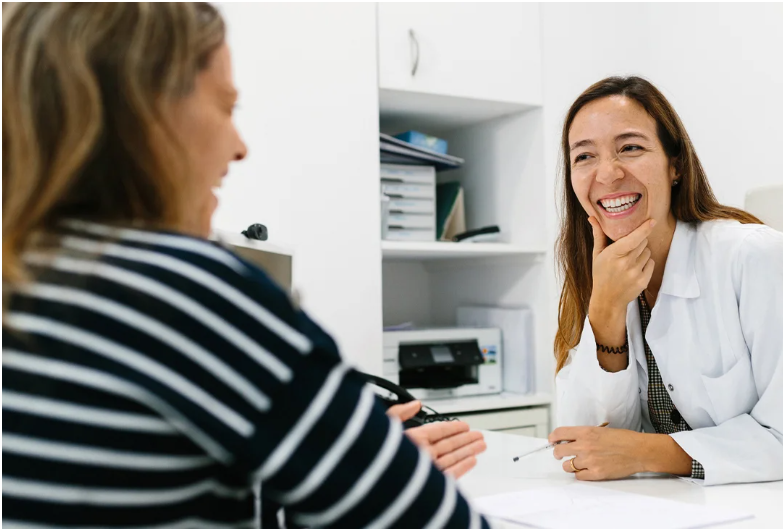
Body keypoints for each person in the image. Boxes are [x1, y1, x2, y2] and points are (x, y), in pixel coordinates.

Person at [1, 2, 487, 528]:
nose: (240, 147)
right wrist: (370, 476)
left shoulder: (26, 279)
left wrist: (327, 474)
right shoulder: (186, 290)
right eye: (226, 106)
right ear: (146, 114)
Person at [549, 76, 783, 486]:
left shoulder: (757, 258)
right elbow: (587, 444)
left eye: (630, 147)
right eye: (584, 157)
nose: (608, 173)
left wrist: (648, 452)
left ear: (675, 165)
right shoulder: (598, 276)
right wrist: (606, 310)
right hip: (692, 507)